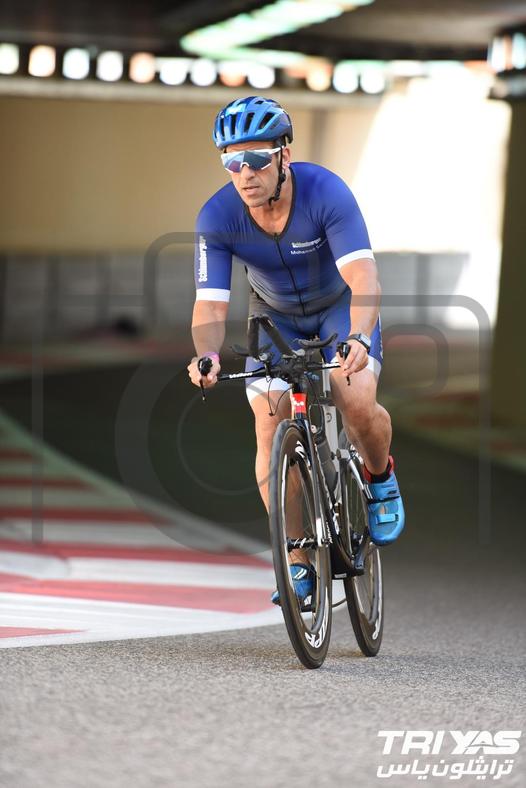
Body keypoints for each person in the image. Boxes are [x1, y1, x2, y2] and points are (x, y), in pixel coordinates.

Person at [188, 96, 404, 605]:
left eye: (256, 159)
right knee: (269, 425)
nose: (245, 173)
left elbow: (363, 277)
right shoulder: (216, 216)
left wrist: (357, 336)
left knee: (354, 399)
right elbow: (210, 305)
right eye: (232, 162)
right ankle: (296, 557)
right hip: (274, 317)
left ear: (284, 154)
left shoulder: (326, 191)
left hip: (339, 308)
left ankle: (380, 476)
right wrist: (207, 355)